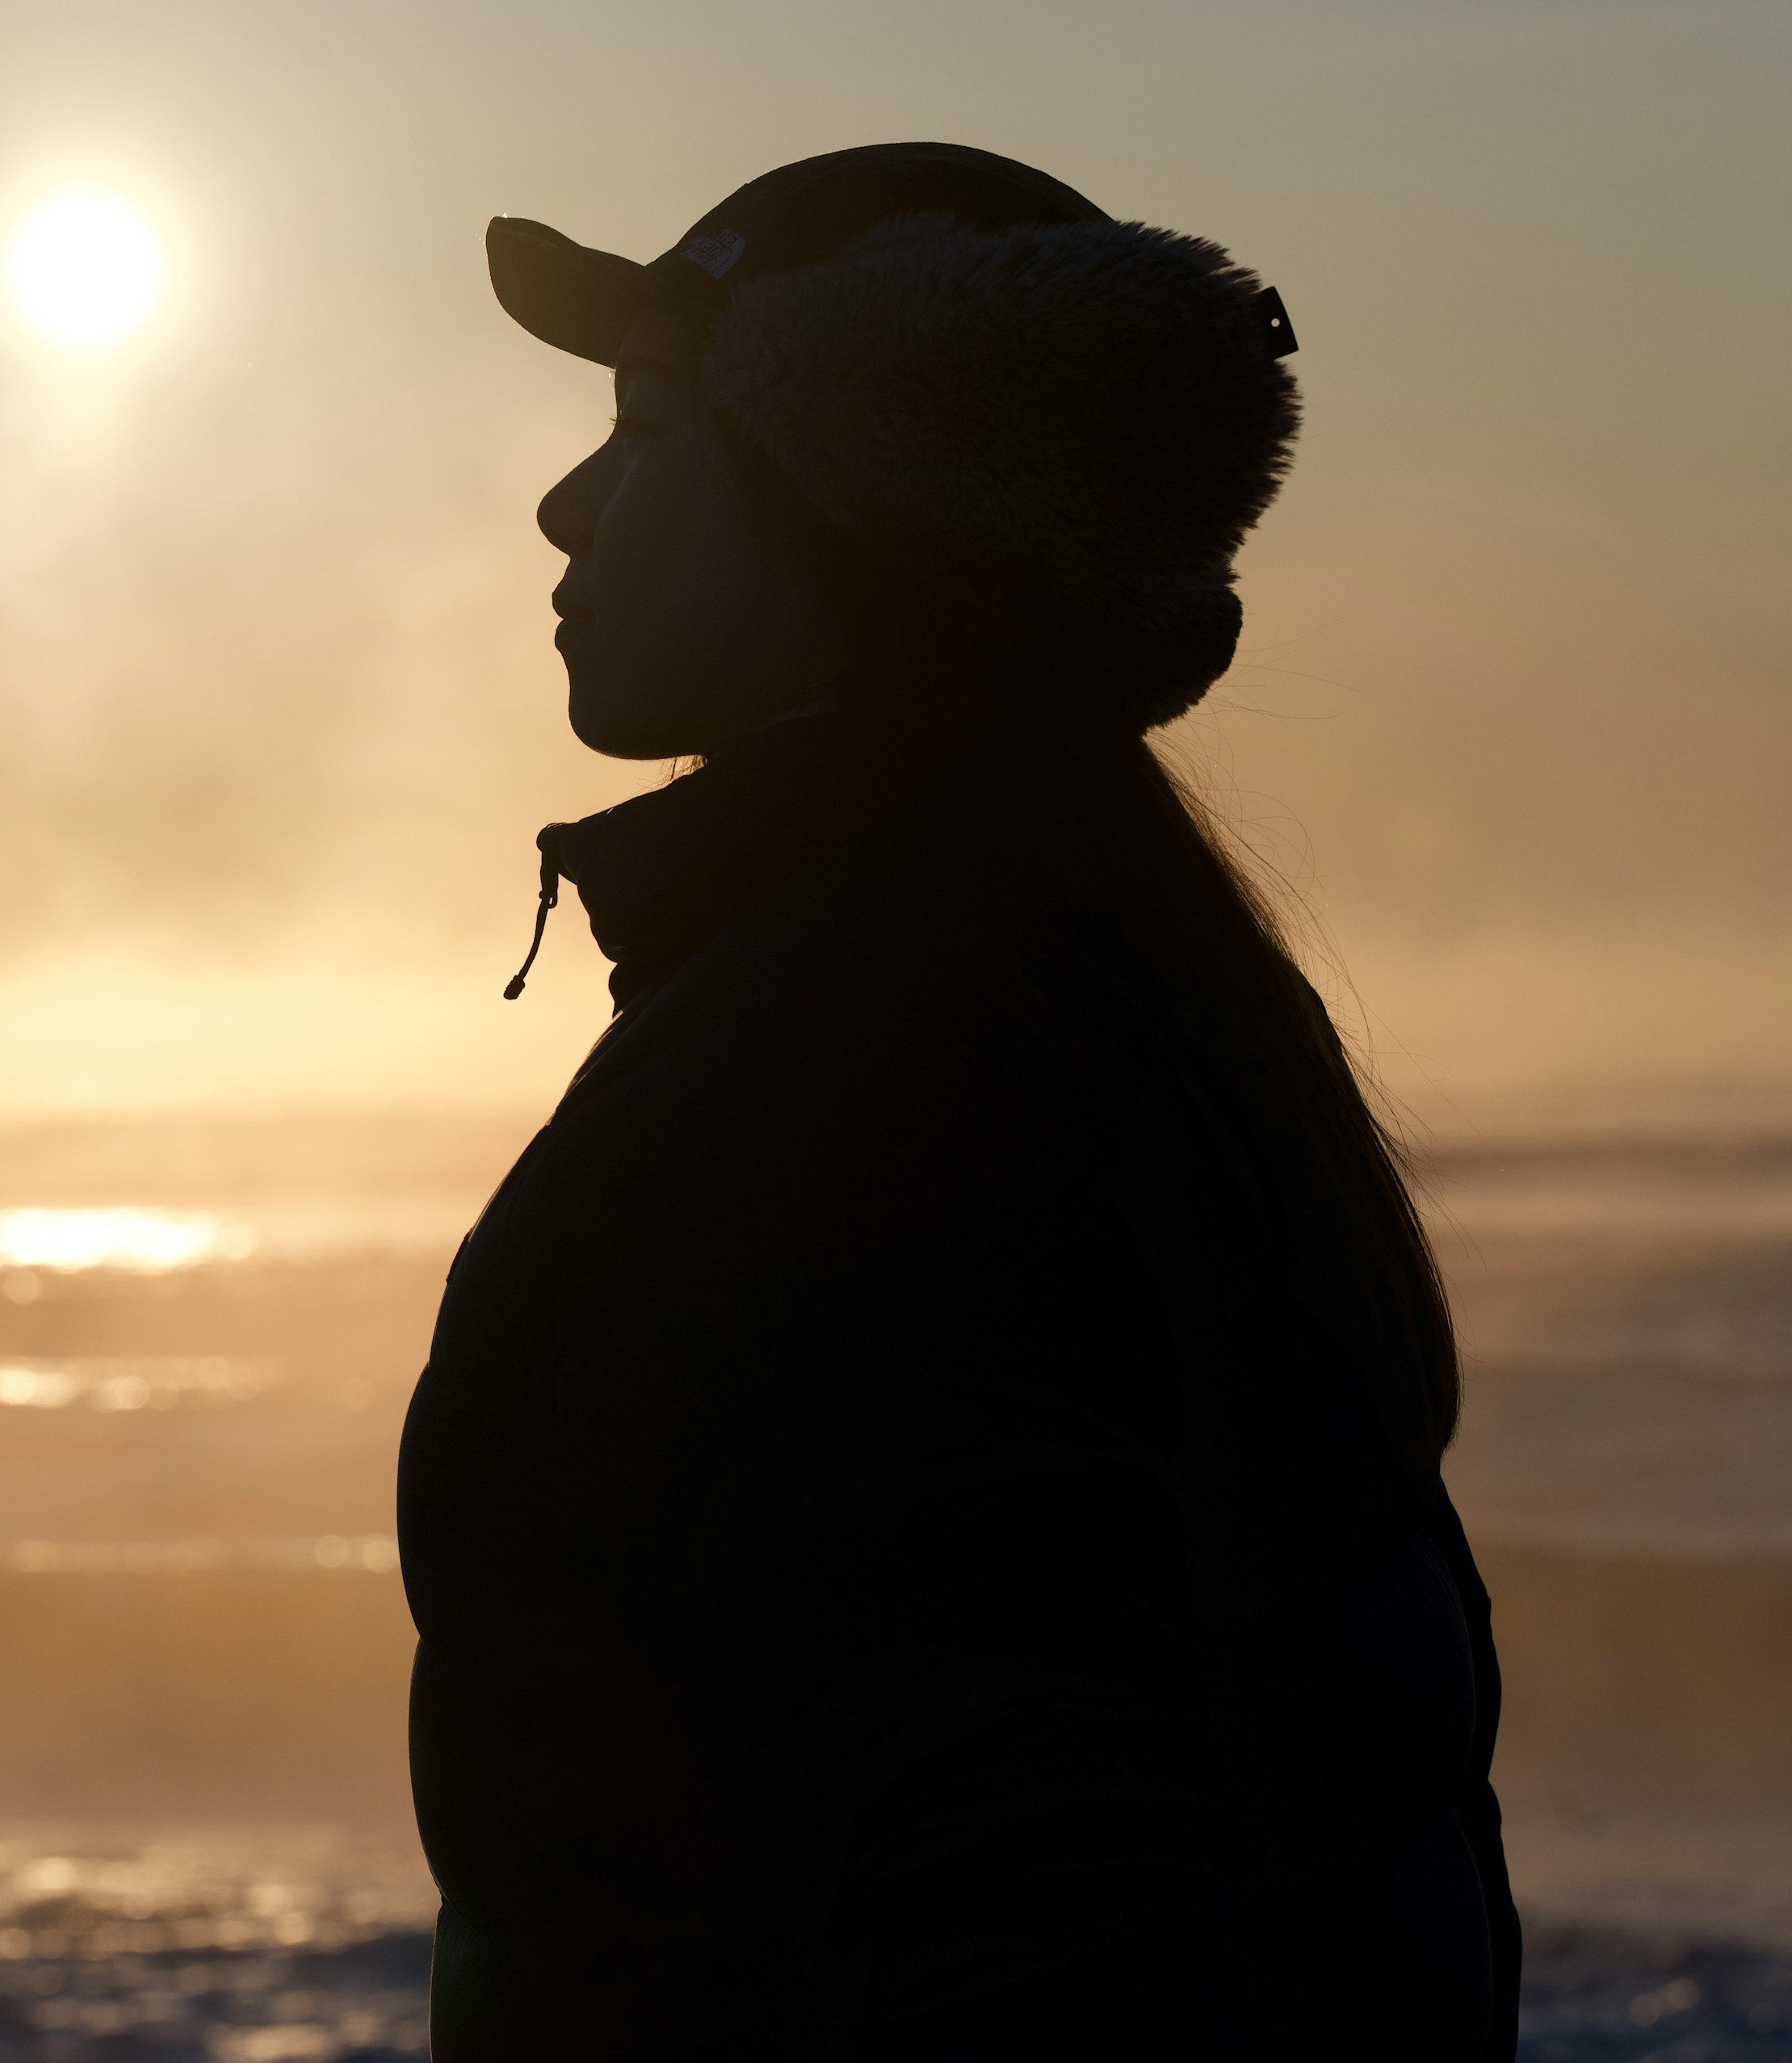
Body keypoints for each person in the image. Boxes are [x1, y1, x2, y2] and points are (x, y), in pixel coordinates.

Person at [396, 144, 1518, 2060]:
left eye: (651, 437)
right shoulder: (1084, 968)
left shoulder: (861, 1063)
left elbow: (1014, 1905)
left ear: (862, 509)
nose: (565, 502)